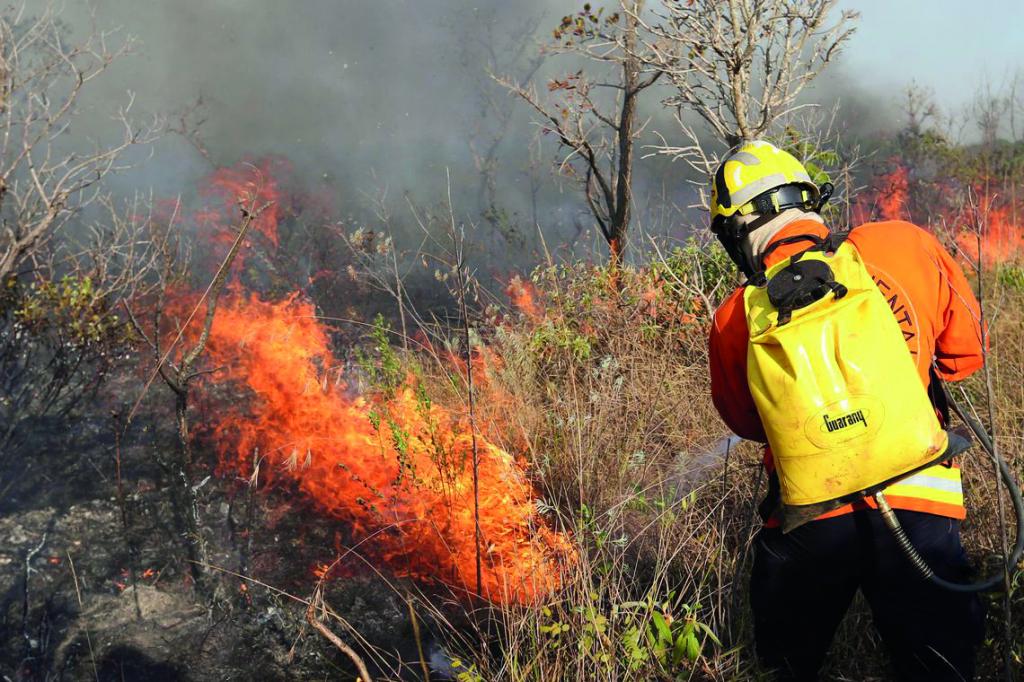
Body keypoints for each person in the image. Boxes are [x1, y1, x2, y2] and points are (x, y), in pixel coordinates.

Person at [706, 140, 987, 681]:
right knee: (940, 667)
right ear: (809, 198)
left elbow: (747, 424)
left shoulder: (734, 317)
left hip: (810, 517)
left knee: (784, 665)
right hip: (921, 498)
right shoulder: (902, 244)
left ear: (735, 232)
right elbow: (966, 355)